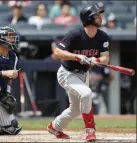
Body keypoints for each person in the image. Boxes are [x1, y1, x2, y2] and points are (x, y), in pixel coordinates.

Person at [47, 5, 110, 142]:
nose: (100, 17)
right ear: (88, 18)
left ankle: (55, 127)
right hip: (67, 73)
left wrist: (96, 59)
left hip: (83, 74)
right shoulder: (75, 34)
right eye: (96, 15)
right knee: (87, 93)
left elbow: (106, 58)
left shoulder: (103, 36)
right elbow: (57, 53)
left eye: (100, 15)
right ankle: (90, 130)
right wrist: (77, 57)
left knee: (75, 109)